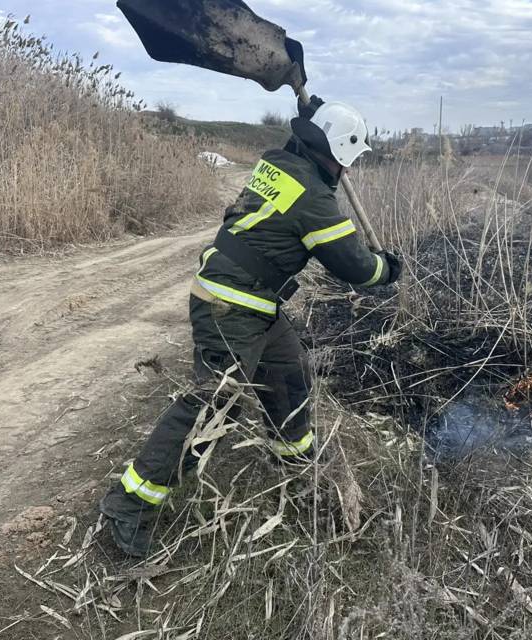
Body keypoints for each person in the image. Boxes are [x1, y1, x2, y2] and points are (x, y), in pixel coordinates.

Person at [99, 96, 403, 557]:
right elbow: (356, 268)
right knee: (215, 406)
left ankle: (294, 461)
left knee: (288, 372)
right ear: (338, 154)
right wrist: (388, 269)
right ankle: (130, 504)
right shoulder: (315, 198)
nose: (348, 172)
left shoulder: (279, 163)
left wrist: (311, 121)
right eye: (348, 161)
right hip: (230, 304)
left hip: (253, 301)